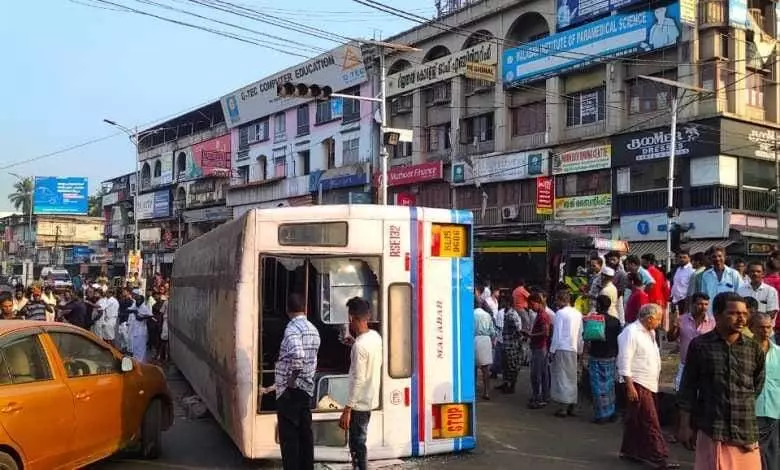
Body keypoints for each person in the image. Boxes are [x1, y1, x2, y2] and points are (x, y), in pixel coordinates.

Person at [677, 292, 764, 470]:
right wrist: (685, 425)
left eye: (744, 314)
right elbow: (688, 387)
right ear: (717, 315)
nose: (741, 318)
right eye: (733, 313)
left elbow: (756, 386)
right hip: (712, 430)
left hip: (745, 430)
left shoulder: (754, 348)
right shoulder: (700, 345)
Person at [617, 303, 676, 469]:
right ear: (649, 318)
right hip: (637, 382)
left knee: (636, 419)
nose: (659, 323)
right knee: (650, 420)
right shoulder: (630, 332)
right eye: (658, 320)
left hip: (649, 382)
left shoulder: (650, 332)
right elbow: (624, 360)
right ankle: (659, 456)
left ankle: (630, 450)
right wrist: (629, 386)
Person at [275, 293, 321, 470]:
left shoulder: (292, 329)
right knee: (305, 437)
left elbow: (298, 355)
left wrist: (291, 381)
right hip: (307, 390)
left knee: (290, 440)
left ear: (288, 310)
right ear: (306, 309)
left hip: (291, 392)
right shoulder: (313, 329)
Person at [339, 297, 382, 470]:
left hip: (359, 404)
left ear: (352, 318)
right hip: (370, 399)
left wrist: (347, 409)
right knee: (360, 444)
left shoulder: (360, 346)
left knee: (357, 447)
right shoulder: (375, 337)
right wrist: (354, 344)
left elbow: (359, 380)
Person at [749, 312, 780, 470]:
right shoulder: (745, 352)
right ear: (751, 328)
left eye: (769, 327)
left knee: (772, 455)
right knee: (753, 455)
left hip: (774, 410)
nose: (766, 331)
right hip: (752, 410)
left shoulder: (778, 352)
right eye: (761, 327)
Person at [666, 292, 715, 392]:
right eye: (700, 304)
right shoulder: (682, 319)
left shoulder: (712, 322)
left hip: (704, 365)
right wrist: (675, 326)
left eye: (706, 304)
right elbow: (670, 338)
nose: (703, 307)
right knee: (681, 393)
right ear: (692, 305)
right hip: (685, 364)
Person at [587, 295, 622, 424]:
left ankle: (601, 414)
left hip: (597, 356)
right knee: (609, 386)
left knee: (597, 387)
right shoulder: (616, 321)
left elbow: (587, 337)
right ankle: (611, 411)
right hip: (611, 356)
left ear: (599, 305)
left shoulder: (594, 319)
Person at [550, 290, 583, 418]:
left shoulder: (560, 313)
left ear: (561, 300)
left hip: (562, 348)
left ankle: (563, 407)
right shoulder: (577, 314)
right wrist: (580, 349)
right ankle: (572, 405)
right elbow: (581, 334)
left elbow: (557, 334)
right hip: (573, 348)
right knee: (572, 377)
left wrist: (552, 351)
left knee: (562, 377)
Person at [527, 292, 552, 409]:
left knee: (536, 374)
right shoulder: (541, 314)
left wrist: (531, 335)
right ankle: (543, 396)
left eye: (532, 304)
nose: (531, 307)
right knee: (542, 373)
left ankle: (539, 397)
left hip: (540, 347)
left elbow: (545, 332)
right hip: (540, 347)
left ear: (537, 303)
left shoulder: (543, 315)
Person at [699, 247, 743, 312]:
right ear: (710, 259)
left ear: (724, 257)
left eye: (720, 256)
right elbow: (703, 296)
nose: (717, 259)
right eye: (714, 257)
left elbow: (740, 293)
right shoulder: (706, 275)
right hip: (711, 312)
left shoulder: (734, 274)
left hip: (730, 311)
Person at [497, 296, 523, 394]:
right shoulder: (506, 313)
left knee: (512, 366)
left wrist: (519, 343)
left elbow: (518, 330)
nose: (502, 303)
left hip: (512, 345)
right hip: (506, 343)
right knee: (505, 365)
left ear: (508, 303)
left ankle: (512, 386)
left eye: (503, 301)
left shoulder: (512, 314)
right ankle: (506, 383)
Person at [473, 298, 496, 400]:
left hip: (473, 339)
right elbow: (492, 331)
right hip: (486, 340)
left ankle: (472, 390)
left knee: (472, 368)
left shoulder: (470, 314)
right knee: (485, 369)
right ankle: (487, 391)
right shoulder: (487, 315)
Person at [129, 290, 154, 363]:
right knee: (135, 347)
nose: (137, 301)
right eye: (136, 300)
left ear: (142, 301)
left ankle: (141, 363)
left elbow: (151, 316)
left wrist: (142, 317)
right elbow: (128, 310)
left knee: (141, 348)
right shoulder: (136, 306)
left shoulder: (144, 308)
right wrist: (134, 312)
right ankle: (136, 362)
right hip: (135, 330)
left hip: (142, 331)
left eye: (139, 300)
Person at [671, 250, 695, 316]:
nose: (682, 259)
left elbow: (691, 288)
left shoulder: (692, 271)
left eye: (684, 257)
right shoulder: (678, 269)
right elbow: (675, 284)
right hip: (675, 301)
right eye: (680, 257)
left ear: (689, 258)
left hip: (685, 301)